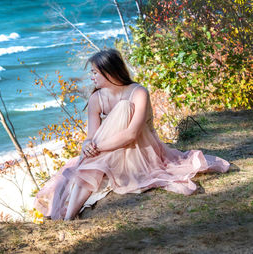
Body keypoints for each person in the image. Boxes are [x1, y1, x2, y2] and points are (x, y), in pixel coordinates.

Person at [34, 49, 230, 220]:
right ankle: (68, 219)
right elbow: (91, 135)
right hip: (108, 148)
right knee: (82, 171)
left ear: (109, 72)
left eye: (94, 72)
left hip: (141, 149)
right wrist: (87, 145)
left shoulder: (138, 92)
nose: (91, 77)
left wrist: (97, 148)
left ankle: (71, 213)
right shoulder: (96, 98)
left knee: (123, 108)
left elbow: (132, 134)